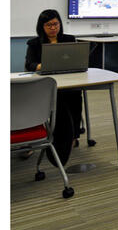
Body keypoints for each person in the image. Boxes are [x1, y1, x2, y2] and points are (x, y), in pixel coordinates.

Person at [24, 9, 83, 166]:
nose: (53, 28)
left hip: (68, 82)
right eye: (49, 25)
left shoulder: (69, 39)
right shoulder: (34, 43)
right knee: (50, 101)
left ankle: (72, 136)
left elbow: (77, 60)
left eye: (56, 24)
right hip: (45, 83)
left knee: (75, 95)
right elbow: (29, 64)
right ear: (41, 26)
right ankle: (33, 139)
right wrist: (42, 65)